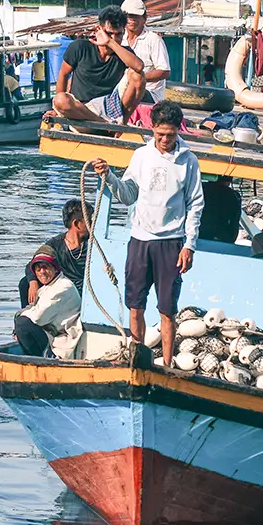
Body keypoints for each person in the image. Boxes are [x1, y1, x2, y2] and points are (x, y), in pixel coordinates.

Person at [91, 98, 201, 368]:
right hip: (140, 240)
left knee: (167, 308)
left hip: (171, 242)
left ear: (178, 131)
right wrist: (109, 177)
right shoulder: (141, 156)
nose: (165, 140)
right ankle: (137, 357)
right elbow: (128, 195)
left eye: (170, 135)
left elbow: (195, 204)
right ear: (153, 130)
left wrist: (190, 245)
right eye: (160, 134)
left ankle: (167, 364)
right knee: (135, 304)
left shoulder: (189, 161)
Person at [52, 6, 143, 123]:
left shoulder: (123, 53)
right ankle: (103, 123)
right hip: (82, 111)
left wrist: (110, 42)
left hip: (111, 108)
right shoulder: (80, 47)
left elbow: (139, 67)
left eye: (118, 35)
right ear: (99, 29)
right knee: (60, 100)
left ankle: (122, 123)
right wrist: (57, 110)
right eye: (109, 34)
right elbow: (63, 75)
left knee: (138, 76)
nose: (114, 38)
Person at [13, 251, 83, 359]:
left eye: (45, 267)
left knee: (23, 323)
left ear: (55, 268)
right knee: (22, 319)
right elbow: (33, 309)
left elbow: (38, 317)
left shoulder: (63, 287)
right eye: (38, 269)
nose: (42, 272)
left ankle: (37, 358)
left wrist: (20, 315)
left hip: (65, 338)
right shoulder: (49, 286)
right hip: (53, 331)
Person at [21, 200, 90, 306]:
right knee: (25, 283)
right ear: (76, 224)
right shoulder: (55, 244)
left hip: (85, 290)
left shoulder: (94, 245)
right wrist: (33, 283)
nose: (93, 223)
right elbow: (33, 264)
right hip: (63, 288)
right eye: (89, 220)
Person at [122, 0, 170, 104]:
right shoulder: (119, 39)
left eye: (136, 16)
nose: (132, 20)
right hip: (121, 90)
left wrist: (137, 79)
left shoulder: (153, 39)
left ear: (144, 19)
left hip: (150, 94)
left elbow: (164, 72)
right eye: (129, 16)